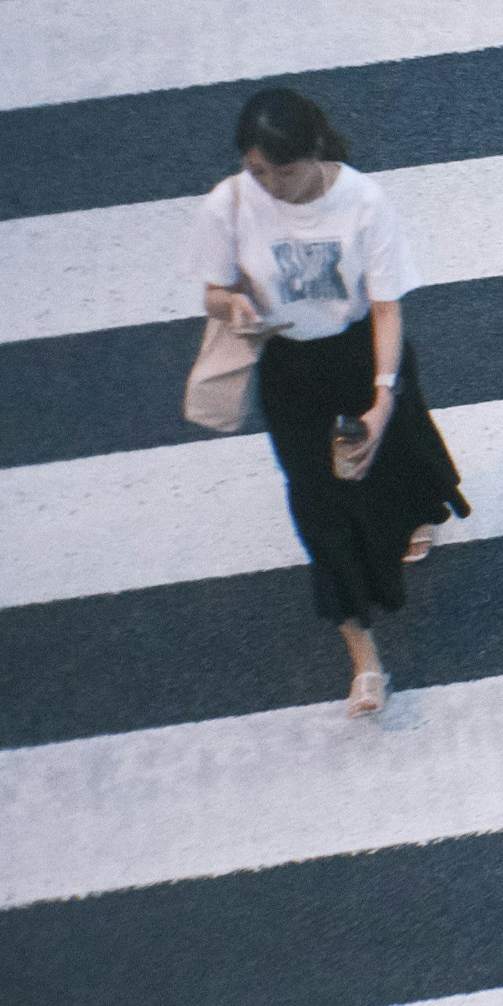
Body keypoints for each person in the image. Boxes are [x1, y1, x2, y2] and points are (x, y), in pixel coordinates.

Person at [192, 87, 466, 716]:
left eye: (281, 171)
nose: (269, 186)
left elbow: (389, 307)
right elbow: (212, 289)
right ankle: (364, 661)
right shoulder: (228, 205)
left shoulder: (363, 202)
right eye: (258, 171)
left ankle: (413, 509)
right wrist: (231, 305)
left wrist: (381, 398)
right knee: (319, 504)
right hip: (290, 367)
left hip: (362, 351)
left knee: (391, 455)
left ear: (313, 151)